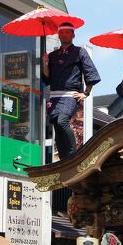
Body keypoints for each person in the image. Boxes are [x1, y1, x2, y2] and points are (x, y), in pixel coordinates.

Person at [42, 22, 101, 159]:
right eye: (62, 32)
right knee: (56, 125)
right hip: (55, 96)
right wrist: (45, 62)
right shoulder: (52, 55)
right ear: (58, 34)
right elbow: (47, 77)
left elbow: (90, 71)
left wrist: (86, 92)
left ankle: (73, 154)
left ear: (73, 35)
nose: (64, 35)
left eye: (67, 32)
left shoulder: (80, 52)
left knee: (62, 121)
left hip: (70, 95)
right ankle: (64, 159)